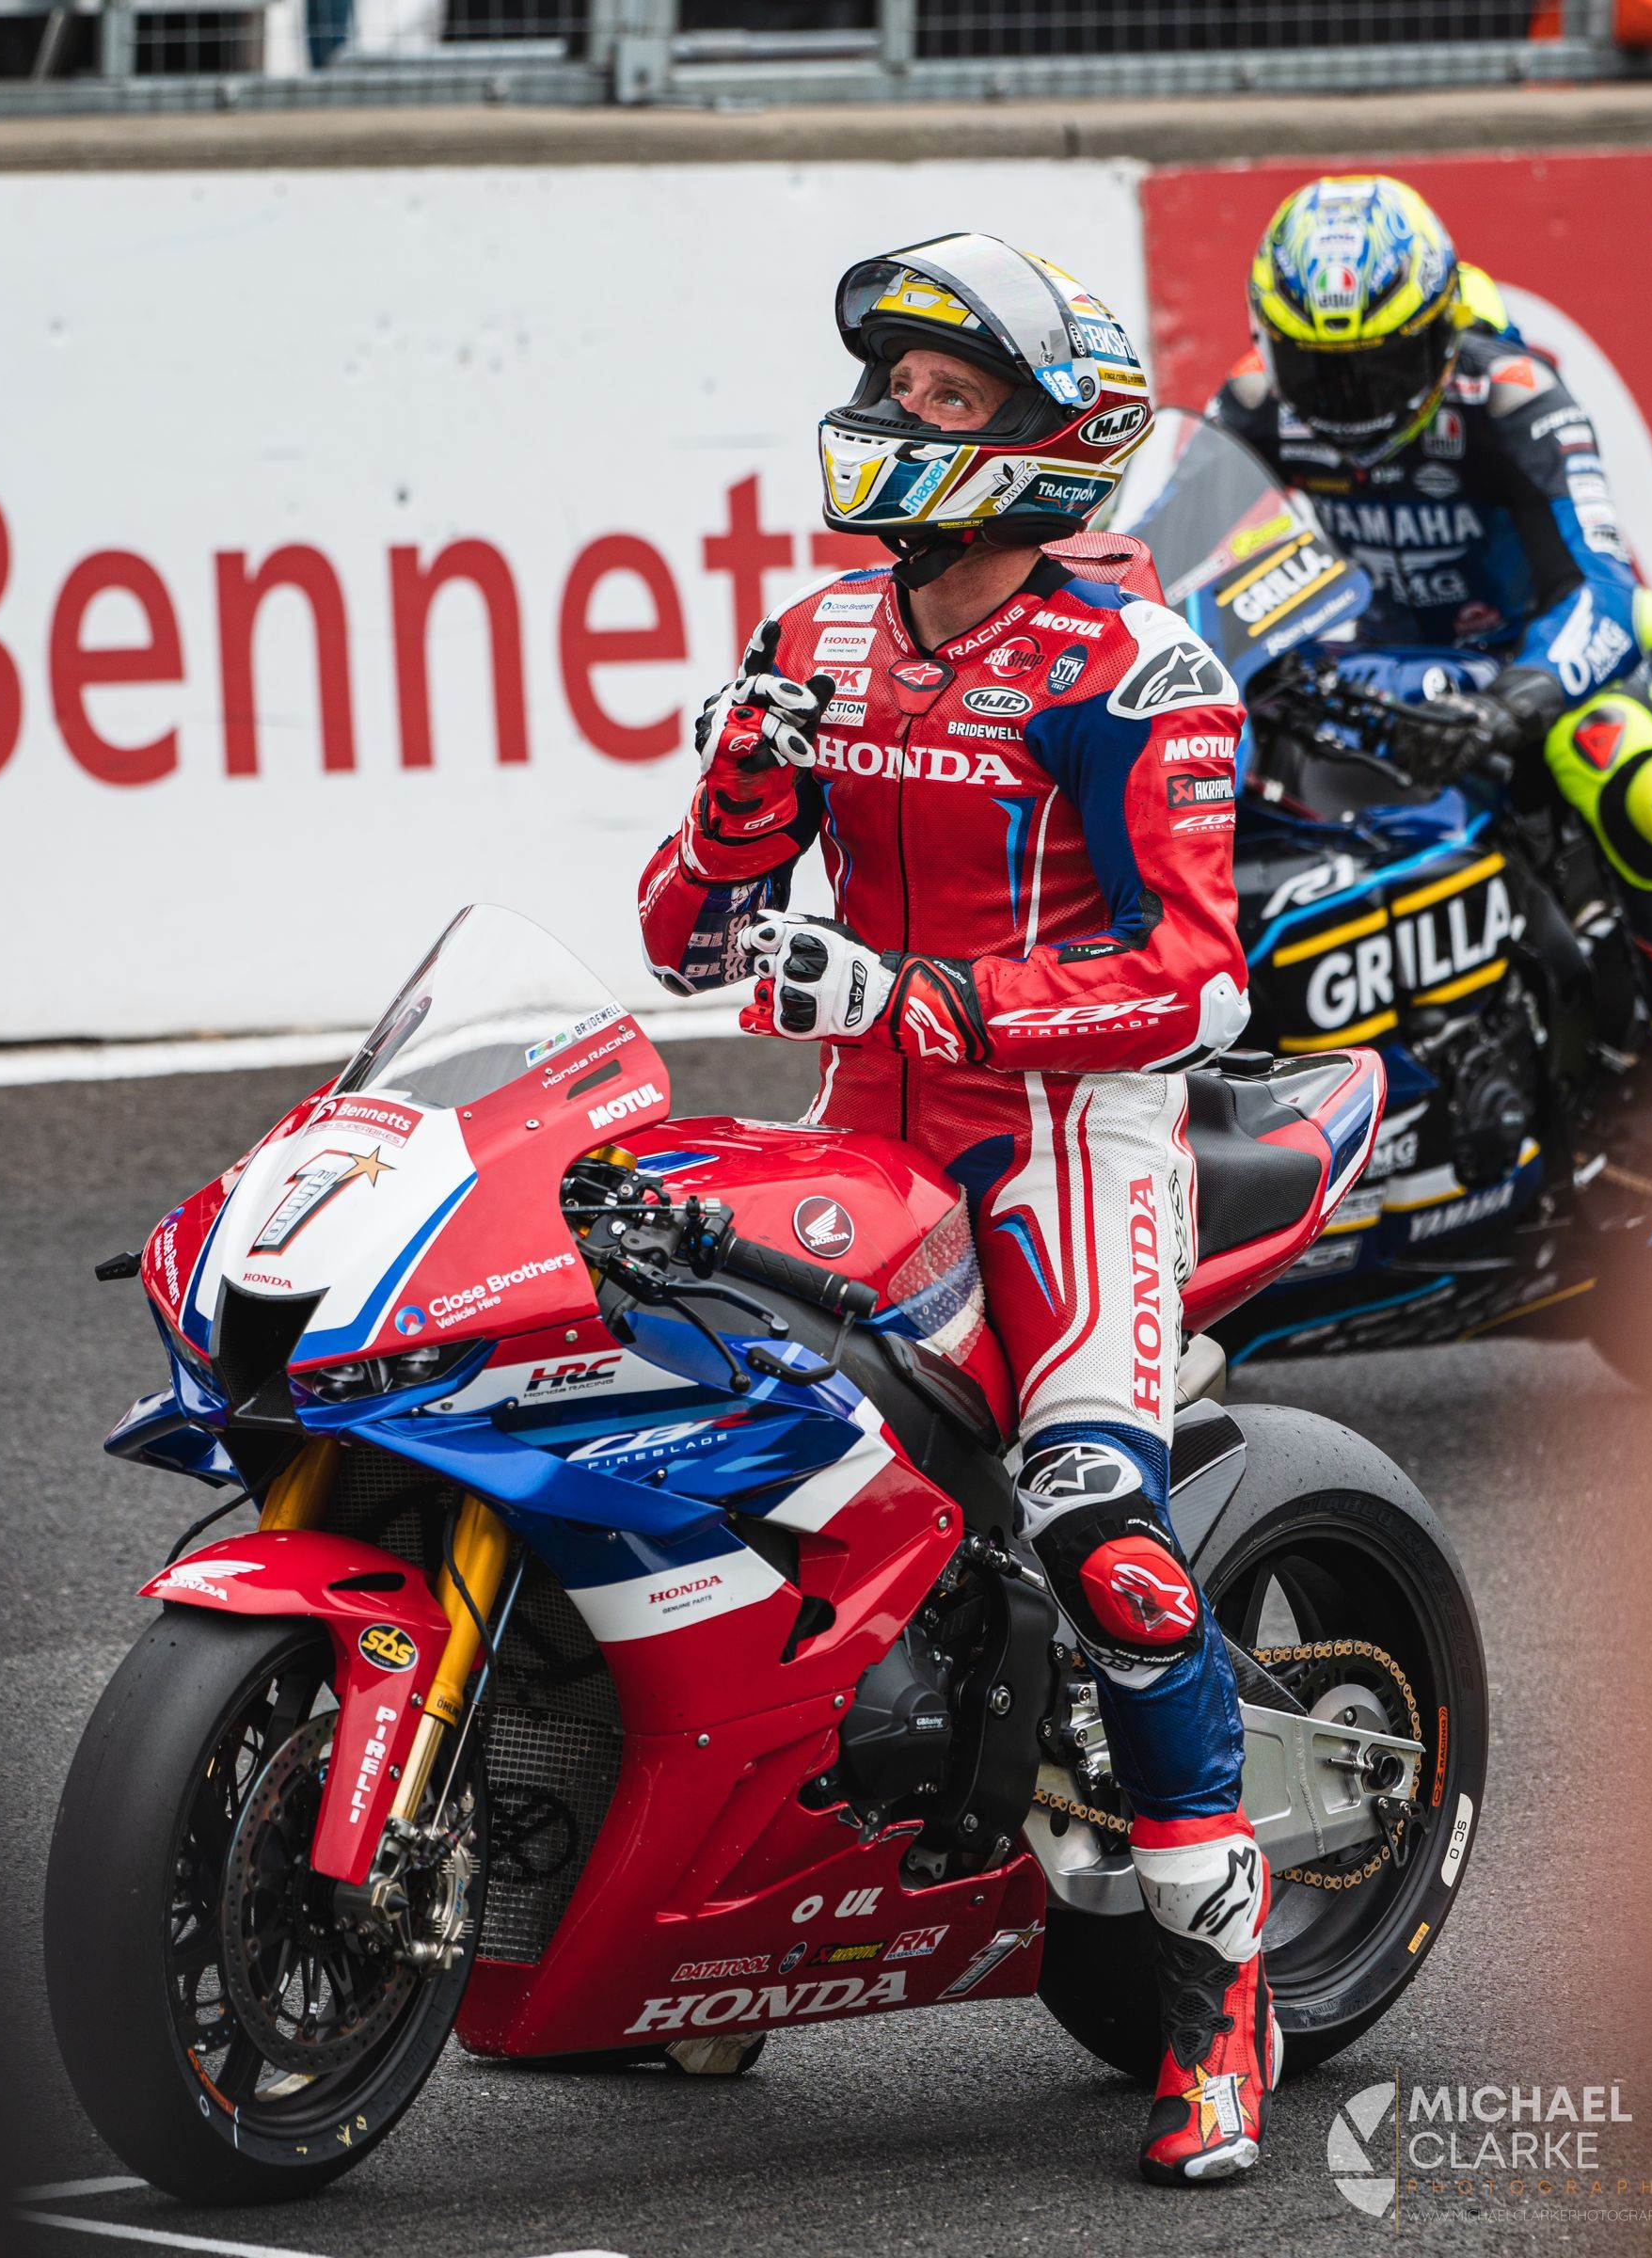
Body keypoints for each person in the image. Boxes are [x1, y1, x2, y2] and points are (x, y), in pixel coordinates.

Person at [639, 234, 1279, 2184]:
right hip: (860, 1136)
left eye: (941, 395)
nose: (892, 417)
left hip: (1070, 1152)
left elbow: (1203, 981)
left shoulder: (1137, 669)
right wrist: (737, 798)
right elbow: (684, 940)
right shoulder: (817, 633)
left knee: (1105, 1538)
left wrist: (929, 997)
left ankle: (1218, 1999)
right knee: (720, 1470)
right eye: (894, 388)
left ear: (1043, 441)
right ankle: (728, 1940)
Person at [1210, 173, 1652, 1151]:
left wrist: (1516, 699)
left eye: (1379, 368)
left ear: (1442, 329)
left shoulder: (1512, 395)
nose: (1347, 403)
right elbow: (1195, 567)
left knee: (1632, 775)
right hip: (1375, 672)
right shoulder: (1250, 401)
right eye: (1317, 371)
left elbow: (1605, 591)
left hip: (1530, 663)